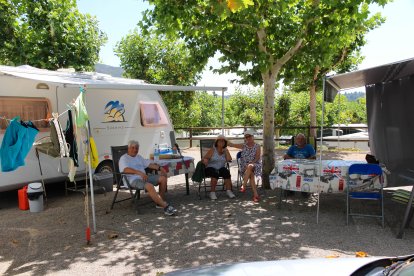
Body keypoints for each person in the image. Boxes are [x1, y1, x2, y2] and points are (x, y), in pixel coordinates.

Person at [119, 140, 177, 216]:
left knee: (163, 178)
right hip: (133, 179)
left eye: (136, 148)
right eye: (132, 148)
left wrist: (160, 168)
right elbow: (125, 169)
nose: (135, 150)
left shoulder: (138, 157)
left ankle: (160, 202)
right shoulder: (124, 158)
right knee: (149, 186)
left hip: (144, 176)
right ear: (128, 148)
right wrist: (139, 172)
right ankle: (165, 206)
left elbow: (148, 164)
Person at [228, 130, 262, 202]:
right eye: (246, 137)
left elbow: (257, 157)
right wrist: (224, 140)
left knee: (250, 166)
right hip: (244, 166)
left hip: (255, 165)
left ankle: (244, 184)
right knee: (251, 174)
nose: (248, 138)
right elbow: (231, 144)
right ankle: (255, 195)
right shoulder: (243, 145)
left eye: (249, 136)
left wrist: (251, 163)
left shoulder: (257, 146)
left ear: (253, 137)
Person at [202, 135, 236, 200]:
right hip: (210, 168)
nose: (221, 142)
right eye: (220, 141)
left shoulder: (225, 150)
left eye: (223, 141)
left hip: (220, 168)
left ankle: (228, 191)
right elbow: (204, 158)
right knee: (214, 173)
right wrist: (205, 160)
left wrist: (225, 151)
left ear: (225, 143)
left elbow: (229, 159)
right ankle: (212, 192)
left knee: (226, 172)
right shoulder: (212, 150)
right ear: (216, 142)